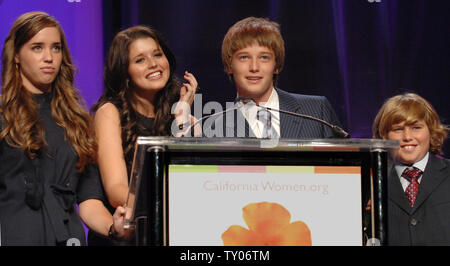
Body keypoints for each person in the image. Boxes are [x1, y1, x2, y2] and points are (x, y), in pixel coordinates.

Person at [0, 12, 129, 245]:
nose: (49, 57)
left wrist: (113, 228)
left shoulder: (75, 121)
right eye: (37, 48)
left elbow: (88, 200)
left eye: (56, 48)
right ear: (16, 55)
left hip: (68, 238)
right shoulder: (3, 117)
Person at [89, 25, 199, 245]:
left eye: (158, 54)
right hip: (128, 236)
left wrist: (182, 118)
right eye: (140, 60)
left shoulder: (184, 115)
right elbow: (116, 190)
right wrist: (164, 202)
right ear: (124, 72)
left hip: (169, 234)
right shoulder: (109, 113)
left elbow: (193, 183)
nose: (154, 64)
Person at [208, 16, 343, 138]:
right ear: (229, 66)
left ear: (276, 65)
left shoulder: (316, 111)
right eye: (244, 57)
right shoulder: (214, 128)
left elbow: (346, 162)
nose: (254, 67)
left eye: (264, 58)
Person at [372, 93, 450, 245]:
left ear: (431, 131)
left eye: (416, 127)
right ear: (384, 136)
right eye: (398, 129)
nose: (407, 137)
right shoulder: (373, 182)